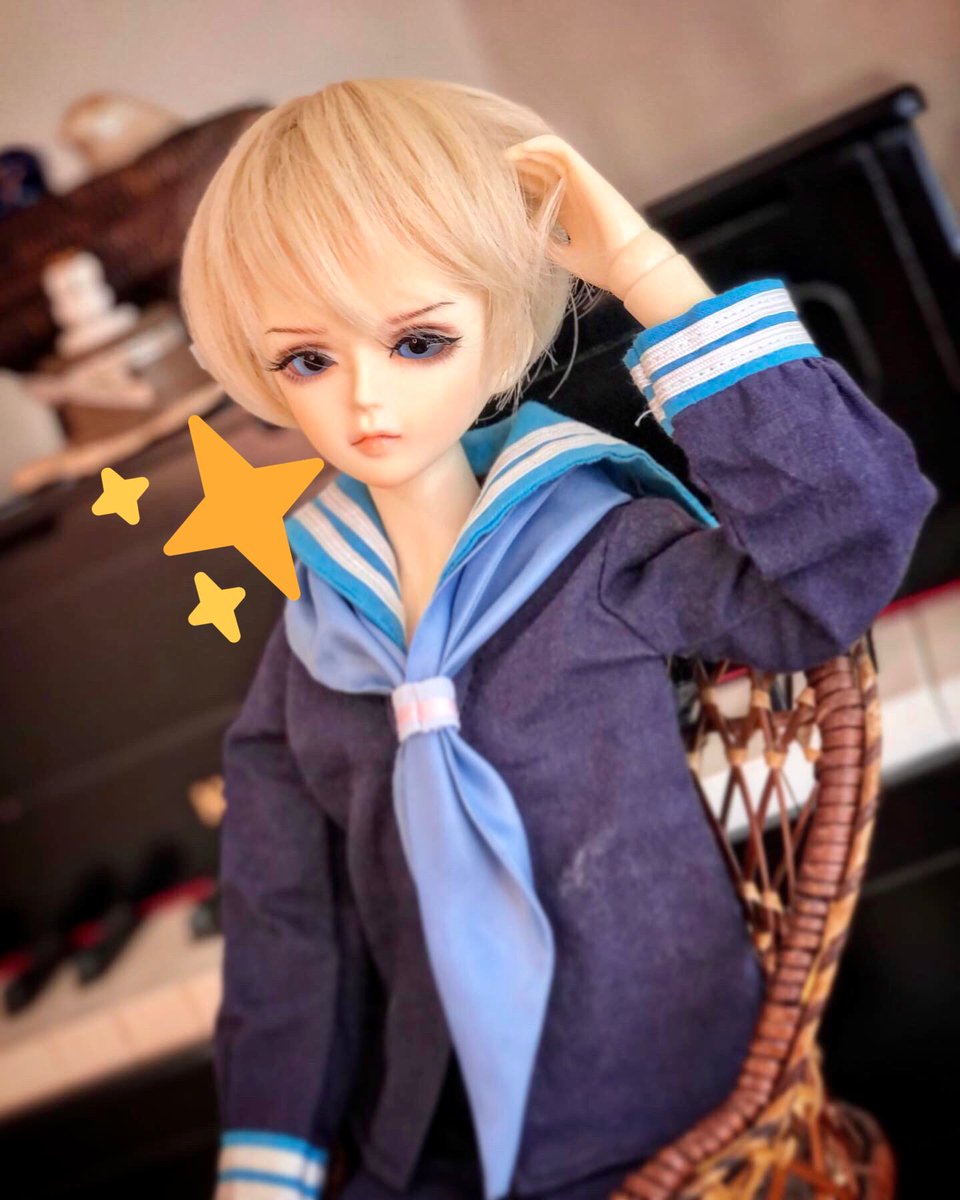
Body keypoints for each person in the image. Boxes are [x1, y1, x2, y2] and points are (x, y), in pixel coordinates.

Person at [178, 78, 938, 1200]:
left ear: (493, 333)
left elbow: (842, 553)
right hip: (424, 1147)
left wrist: (648, 275)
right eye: (308, 360)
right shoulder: (312, 651)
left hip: (671, 1112)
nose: (365, 401)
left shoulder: (599, 552)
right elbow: (286, 921)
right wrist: (268, 1160)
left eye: (418, 341)